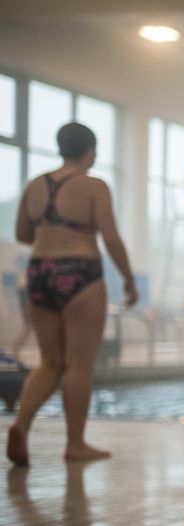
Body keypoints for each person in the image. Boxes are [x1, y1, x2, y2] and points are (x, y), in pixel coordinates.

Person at [7, 122, 137, 466]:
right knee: (79, 364)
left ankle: (21, 424)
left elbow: (23, 234)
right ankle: (75, 443)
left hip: (39, 273)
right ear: (90, 152)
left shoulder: (36, 184)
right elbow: (110, 237)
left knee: (49, 362)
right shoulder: (94, 185)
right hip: (79, 272)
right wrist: (128, 279)